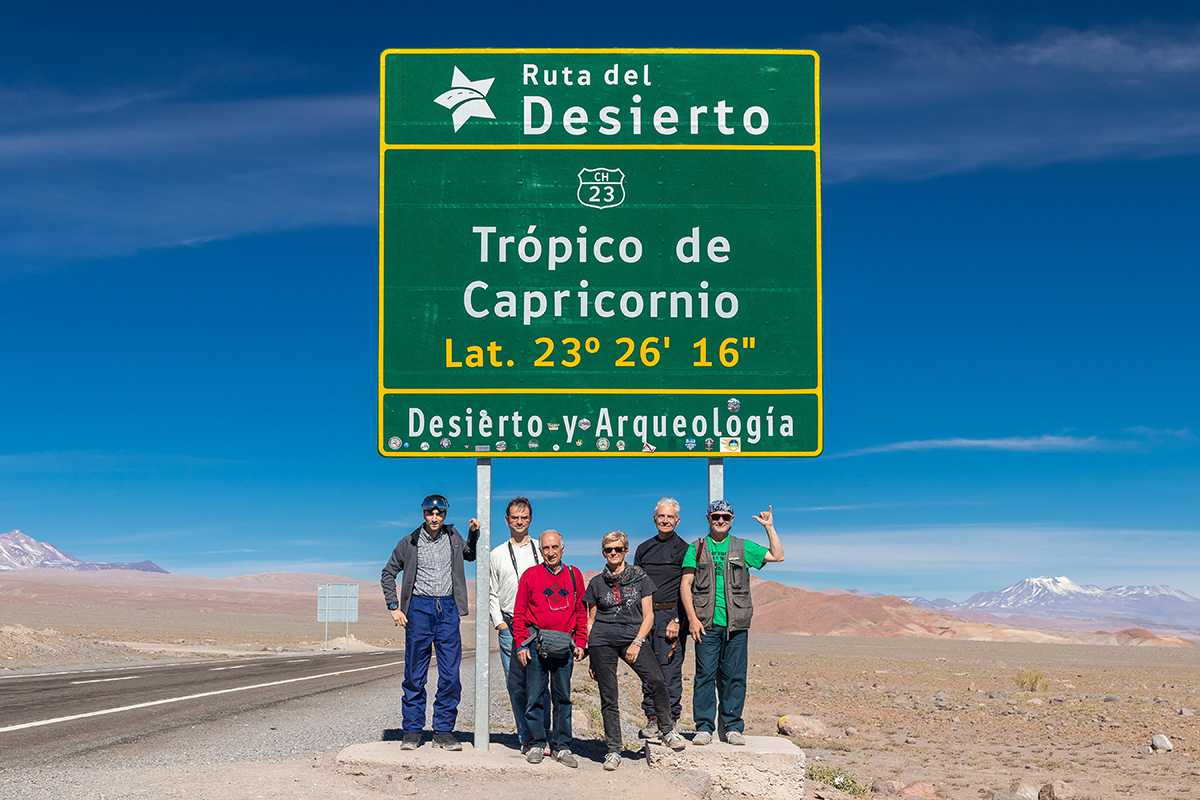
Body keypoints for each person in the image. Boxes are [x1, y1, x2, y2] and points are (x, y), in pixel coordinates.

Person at [680, 500, 784, 746]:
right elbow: (685, 584)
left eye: (725, 517)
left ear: (732, 519)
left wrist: (769, 527)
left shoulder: (742, 547)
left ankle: (733, 726)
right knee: (703, 676)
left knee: (735, 676)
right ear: (708, 518)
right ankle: (704, 727)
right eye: (716, 516)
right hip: (706, 624)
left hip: (736, 624)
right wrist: (692, 619)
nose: (720, 521)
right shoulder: (696, 548)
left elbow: (778, 556)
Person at [380, 493, 479, 751]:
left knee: (450, 674)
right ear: (423, 513)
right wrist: (394, 608)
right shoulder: (409, 542)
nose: (435, 517)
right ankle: (412, 731)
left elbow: (470, 555)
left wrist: (473, 534)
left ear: (445, 514)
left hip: (447, 609)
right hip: (419, 610)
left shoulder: (453, 537)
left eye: (439, 513)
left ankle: (443, 731)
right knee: (414, 673)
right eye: (430, 513)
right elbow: (388, 573)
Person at [585, 530, 687, 771]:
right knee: (609, 696)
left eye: (618, 549)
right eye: (609, 550)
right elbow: (590, 621)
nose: (613, 554)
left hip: (633, 638)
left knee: (656, 680)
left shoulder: (640, 578)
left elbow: (649, 615)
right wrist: (592, 657)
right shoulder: (596, 583)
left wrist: (637, 643)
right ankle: (613, 750)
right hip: (602, 642)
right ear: (603, 553)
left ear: (626, 552)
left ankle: (666, 729)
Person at [512, 530, 587, 768]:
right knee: (535, 695)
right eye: (546, 548)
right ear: (540, 550)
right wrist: (521, 644)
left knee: (563, 697)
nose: (550, 552)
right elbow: (519, 613)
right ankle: (536, 743)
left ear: (563, 549)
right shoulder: (531, 575)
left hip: (565, 645)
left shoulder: (574, 575)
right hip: (535, 644)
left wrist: (581, 643)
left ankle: (562, 746)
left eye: (555, 547)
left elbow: (581, 612)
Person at [487, 496, 549, 753]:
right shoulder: (497, 554)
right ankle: (526, 735)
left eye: (524, 517)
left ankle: (543, 736)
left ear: (531, 520)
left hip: (538, 627)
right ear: (507, 520)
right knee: (516, 684)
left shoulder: (542, 549)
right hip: (510, 625)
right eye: (515, 517)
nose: (520, 522)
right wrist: (500, 623)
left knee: (540, 683)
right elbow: (491, 592)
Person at [632, 497, 690, 739]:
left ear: (677, 521)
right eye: (661, 516)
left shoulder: (685, 549)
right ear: (654, 519)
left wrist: (677, 620)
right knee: (648, 670)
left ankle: (671, 720)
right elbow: (634, 585)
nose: (665, 520)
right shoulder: (643, 549)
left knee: (669, 670)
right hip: (646, 615)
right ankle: (653, 719)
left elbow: (689, 587)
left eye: (670, 517)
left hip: (670, 615)